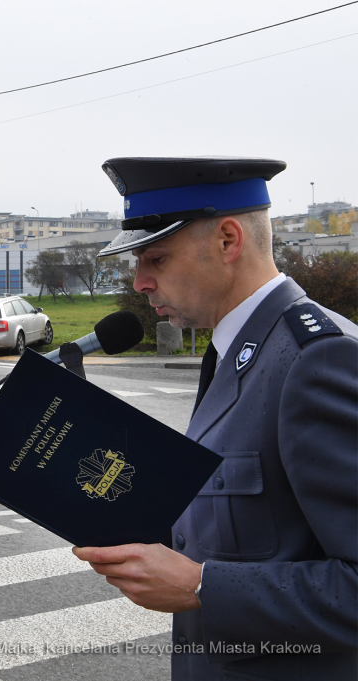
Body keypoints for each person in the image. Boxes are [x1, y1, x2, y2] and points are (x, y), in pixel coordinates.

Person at [72, 157, 358, 680]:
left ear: (229, 240)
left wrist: (200, 586)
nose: (139, 282)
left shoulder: (318, 360)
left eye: (155, 259)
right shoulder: (236, 350)